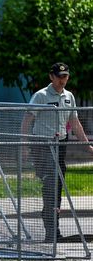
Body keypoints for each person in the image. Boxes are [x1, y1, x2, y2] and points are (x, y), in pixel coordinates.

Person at [21, 62, 93, 242]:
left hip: (60, 143)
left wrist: (87, 145)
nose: (63, 80)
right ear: (51, 77)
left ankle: (53, 228)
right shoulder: (41, 96)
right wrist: (24, 145)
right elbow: (27, 120)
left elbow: (74, 123)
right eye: (59, 76)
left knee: (57, 184)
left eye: (65, 76)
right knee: (50, 184)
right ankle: (51, 231)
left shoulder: (69, 96)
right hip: (42, 143)